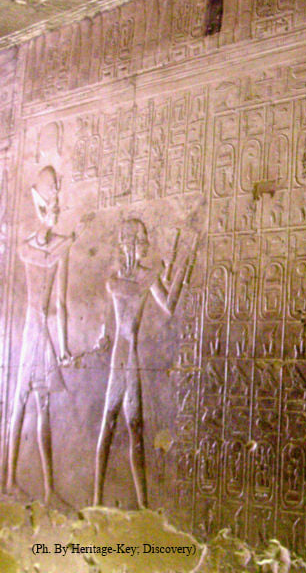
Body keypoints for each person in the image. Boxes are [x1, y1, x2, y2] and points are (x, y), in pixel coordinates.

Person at [93, 217, 190, 508]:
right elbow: (124, 295)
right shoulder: (119, 280)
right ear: (129, 243)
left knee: (135, 427)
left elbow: (169, 306)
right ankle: (97, 499)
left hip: (130, 356)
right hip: (120, 357)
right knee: (109, 423)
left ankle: (143, 504)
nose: (145, 247)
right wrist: (161, 270)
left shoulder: (144, 277)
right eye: (141, 241)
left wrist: (182, 267)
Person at [6, 166, 76, 505]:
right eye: (54, 206)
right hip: (35, 331)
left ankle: (44, 488)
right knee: (24, 401)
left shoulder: (38, 247)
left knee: (34, 403)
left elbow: (60, 305)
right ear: (41, 207)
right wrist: (62, 348)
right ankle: (12, 481)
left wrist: (62, 348)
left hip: (35, 330)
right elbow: (58, 305)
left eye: (59, 206)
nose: (58, 212)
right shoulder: (54, 248)